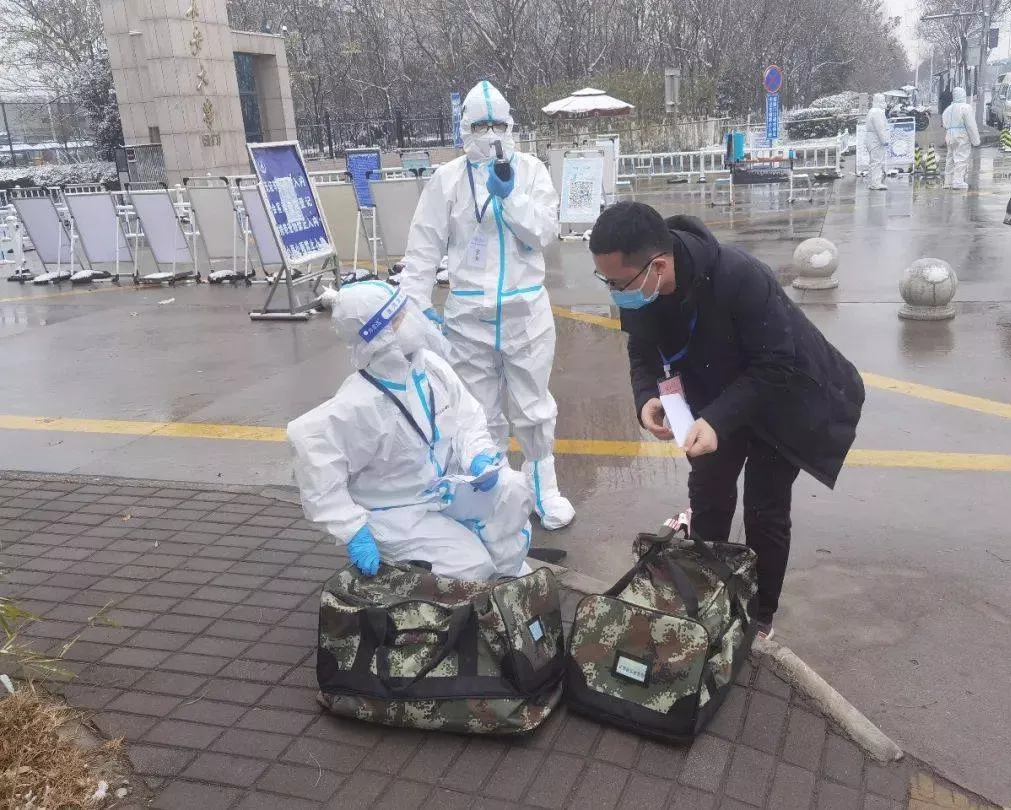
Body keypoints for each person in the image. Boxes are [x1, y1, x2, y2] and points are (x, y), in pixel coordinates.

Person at [588, 201, 865, 640]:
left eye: (618, 283)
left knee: (765, 510)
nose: (615, 292)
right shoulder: (640, 285)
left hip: (780, 399)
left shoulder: (740, 277)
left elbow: (777, 364)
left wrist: (717, 421)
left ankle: (760, 616)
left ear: (658, 266)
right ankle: (706, 595)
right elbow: (641, 349)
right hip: (713, 393)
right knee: (709, 494)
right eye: (606, 281)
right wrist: (647, 398)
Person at [397, 80, 575, 531]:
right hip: (468, 318)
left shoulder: (530, 171)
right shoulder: (447, 180)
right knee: (478, 412)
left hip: (525, 313)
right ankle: (494, 494)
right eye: (481, 125)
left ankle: (543, 489)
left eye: (498, 124)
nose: (491, 134)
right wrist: (415, 308)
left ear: (511, 125)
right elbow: (423, 248)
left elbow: (543, 233)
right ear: (465, 128)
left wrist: (510, 195)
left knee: (533, 407)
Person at [287, 280, 534, 581]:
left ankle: (506, 577)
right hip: (396, 511)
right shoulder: (359, 402)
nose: (411, 320)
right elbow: (313, 454)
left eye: (404, 311)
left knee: (513, 489)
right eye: (398, 318)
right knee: (473, 567)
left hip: (442, 486)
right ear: (377, 336)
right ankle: (461, 571)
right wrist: (351, 529)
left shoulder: (429, 367)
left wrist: (477, 455)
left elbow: (466, 417)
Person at [941, 86, 981, 190]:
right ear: (963, 95)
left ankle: (948, 181)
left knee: (950, 158)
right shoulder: (965, 108)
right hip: (961, 135)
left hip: (949, 135)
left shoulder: (947, 109)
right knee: (961, 157)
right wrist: (976, 141)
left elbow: (944, 124)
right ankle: (958, 181)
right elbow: (971, 125)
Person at [866, 93, 890, 191]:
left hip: (871, 139)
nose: (884, 102)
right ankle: (876, 183)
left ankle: (872, 182)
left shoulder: (872, 110)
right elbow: (880, 128)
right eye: (883, 100)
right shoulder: (878, 112)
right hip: (876, 140)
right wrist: (884, 140)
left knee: (873, 162)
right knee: (877, 162)